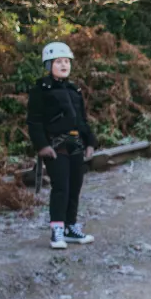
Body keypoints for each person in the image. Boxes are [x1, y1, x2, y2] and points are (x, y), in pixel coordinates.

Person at [27, 41, 98, 250]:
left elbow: (81, 119)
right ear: (49, 65)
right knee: (61, 187)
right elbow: (34, 121)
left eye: (67, 61)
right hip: (54, 144)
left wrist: (90, 142)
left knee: (75, 185)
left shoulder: (74, 89)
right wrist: (41, 146)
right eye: (59, 61)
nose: (64, 65)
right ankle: (57, 229)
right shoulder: (41, 89)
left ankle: (70, 227)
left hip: (75, 142)